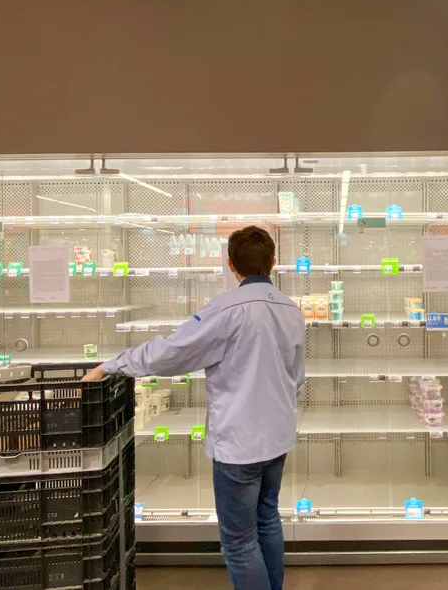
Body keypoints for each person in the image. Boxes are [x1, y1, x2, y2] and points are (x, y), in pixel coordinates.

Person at [84, 226, 305, 590]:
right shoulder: (290, 309)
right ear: (273, 263)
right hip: (277, 439)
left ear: (232, 265)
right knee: (267, 519)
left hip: (239, 444)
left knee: (239, 539)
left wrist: (114, 364)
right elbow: (296, 379)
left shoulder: (225, 308)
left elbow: (173, 353)